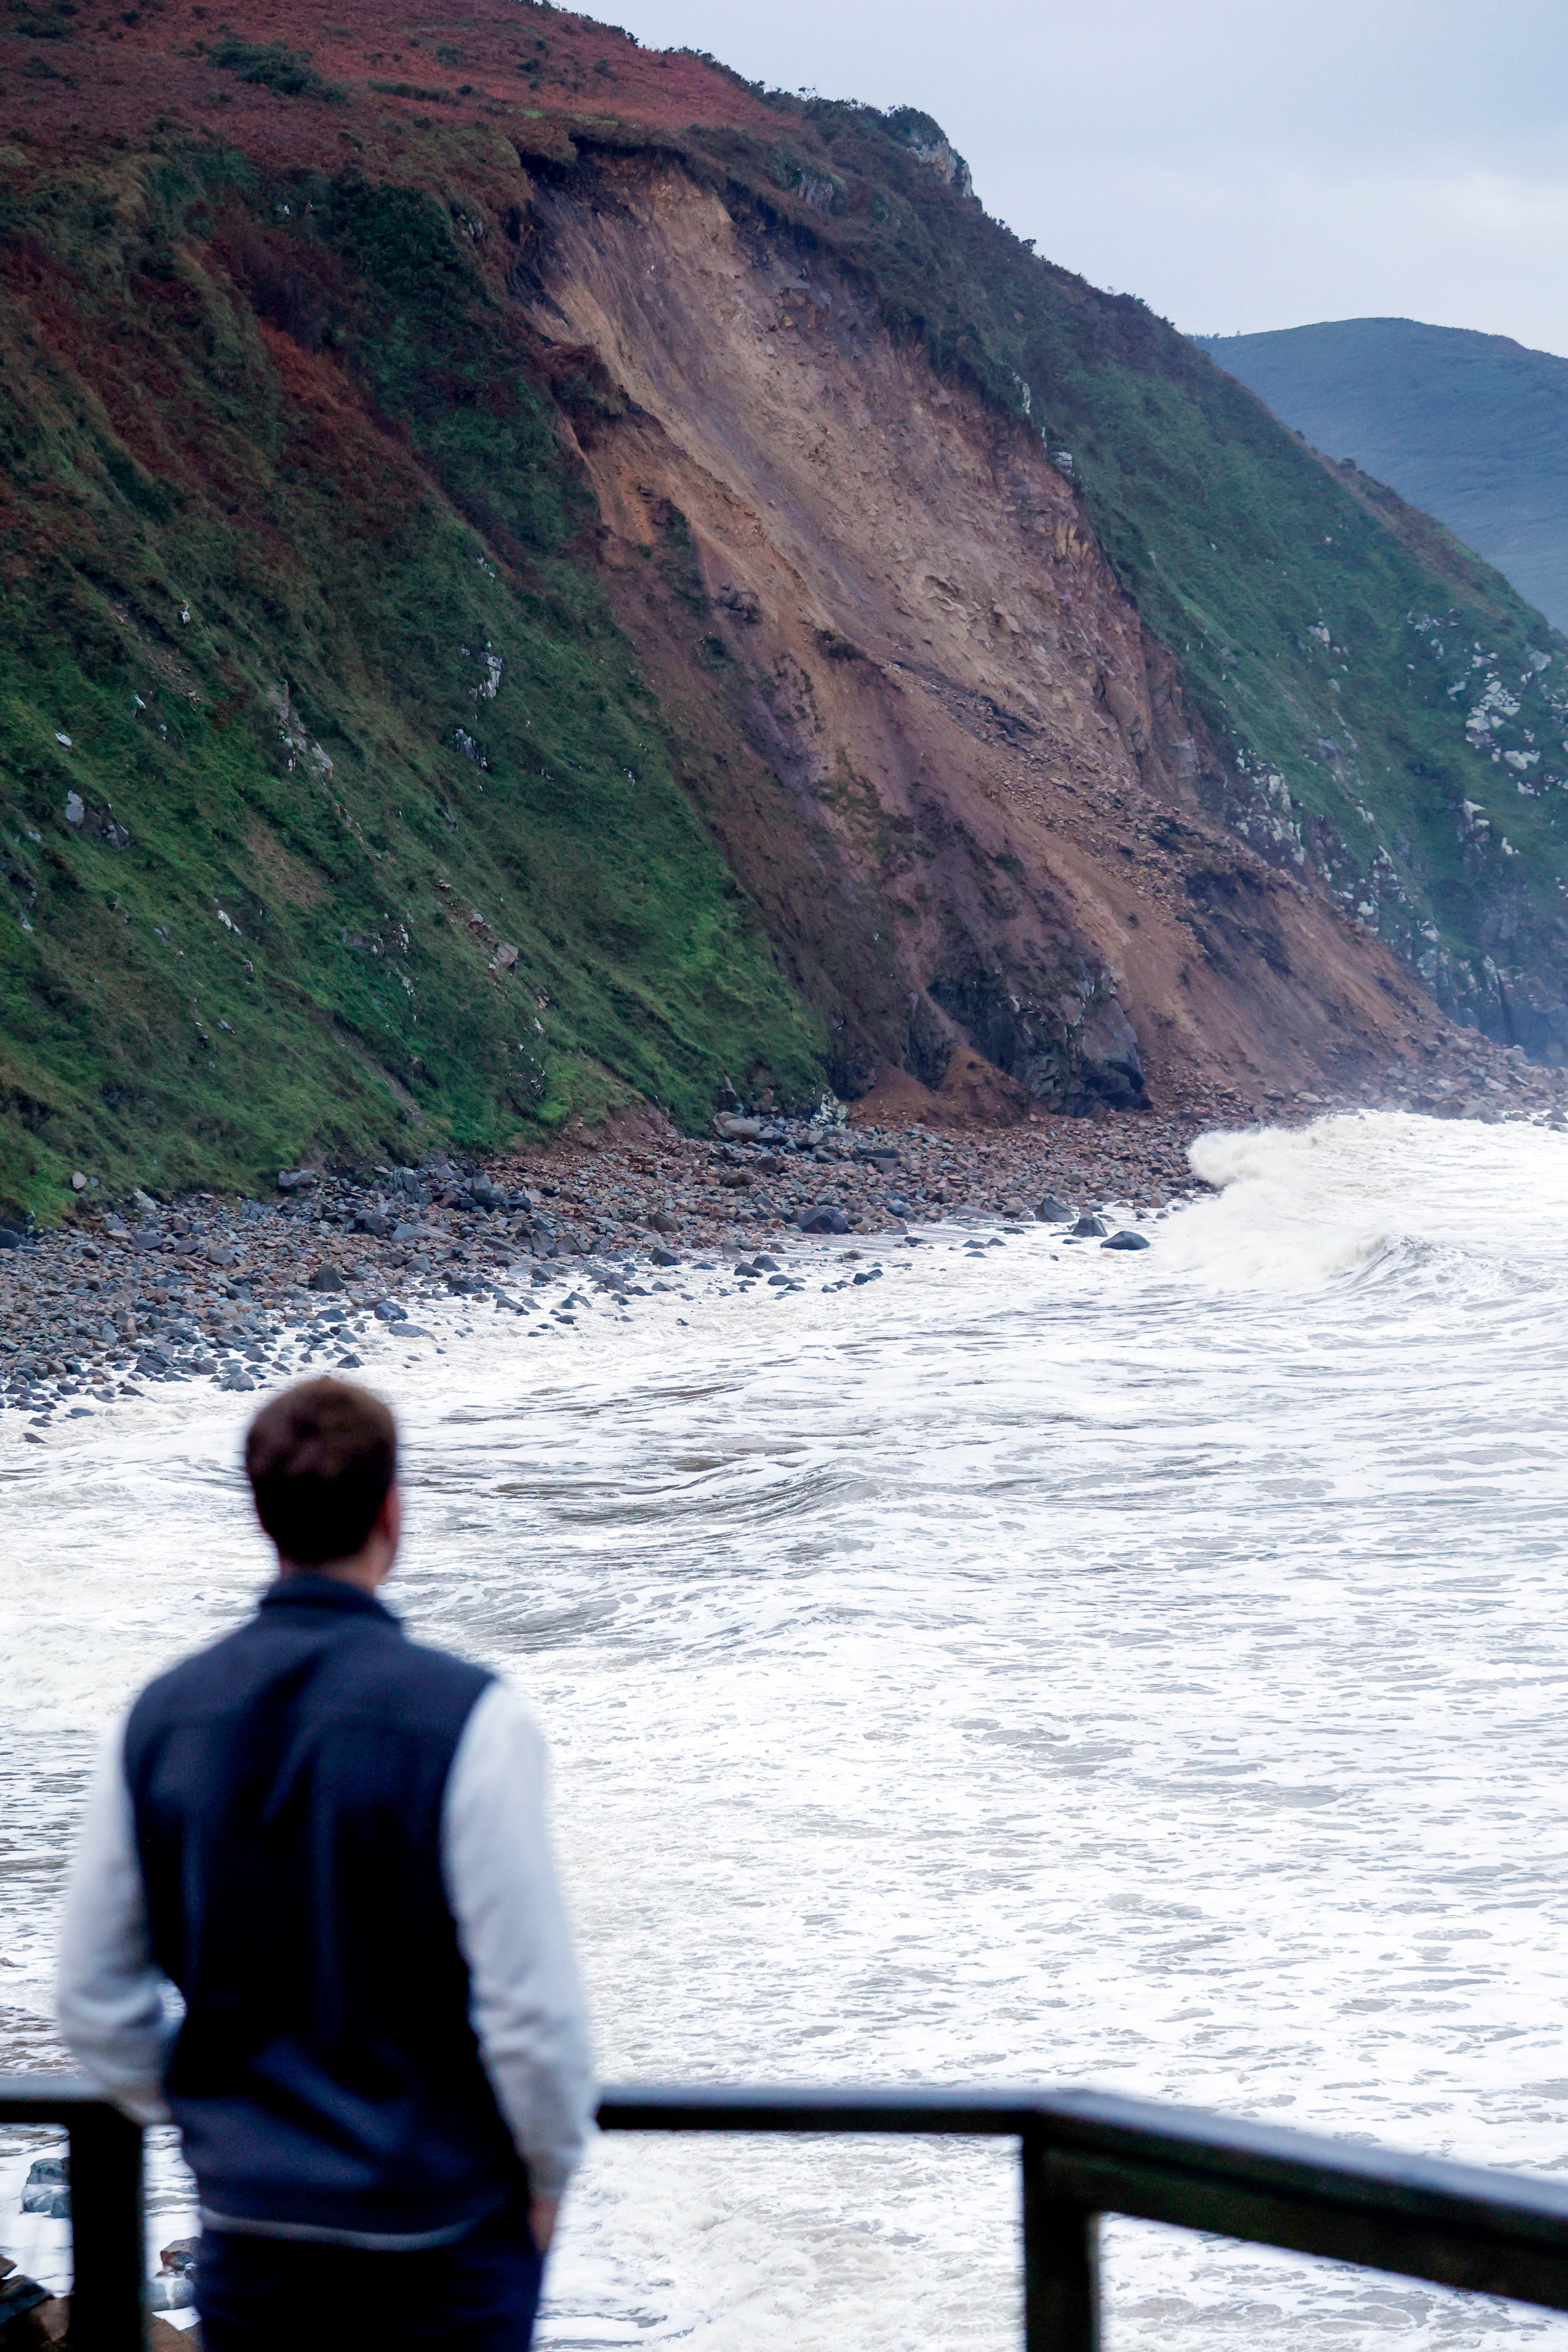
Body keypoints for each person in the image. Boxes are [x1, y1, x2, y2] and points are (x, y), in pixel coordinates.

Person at [56, 1376, 595, 2351]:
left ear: (262, 1514)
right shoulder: (470, 1717)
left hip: (254, 2233)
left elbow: (94, 1999)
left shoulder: (161, 1716)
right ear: (394, 1511)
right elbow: (534, 2015)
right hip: (440, 2234)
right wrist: (547, 2178)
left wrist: (212, 2116)